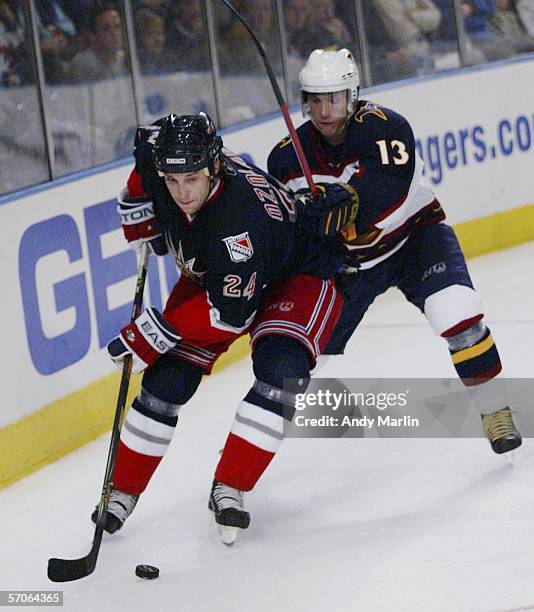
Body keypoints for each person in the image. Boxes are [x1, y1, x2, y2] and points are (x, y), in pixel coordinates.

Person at [93, 112, 357, 542]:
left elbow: (230, 314)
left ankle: (230, 486)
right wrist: (137, 200)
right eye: (171, 182)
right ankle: (120, 491)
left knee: (280, 374)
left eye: (191, 181)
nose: (182, 192)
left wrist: (154, 331)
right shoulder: (170, 159)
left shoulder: (238, 225)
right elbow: (147, 144)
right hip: (216, 276)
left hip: (298, 271)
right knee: (166, 384)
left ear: (215, 168)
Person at [267, 48, 522, 455]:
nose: (324, 109)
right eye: (315, 100)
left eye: (333, 98)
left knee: (456, 313)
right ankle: (248, 447)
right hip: (347, 266)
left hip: (413, 240)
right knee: (290, 363)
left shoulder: (386, 128)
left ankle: (496, 412)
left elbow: (389, 189)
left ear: (352, 96)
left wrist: (345, 202)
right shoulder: (285, 157)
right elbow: (284, 227)